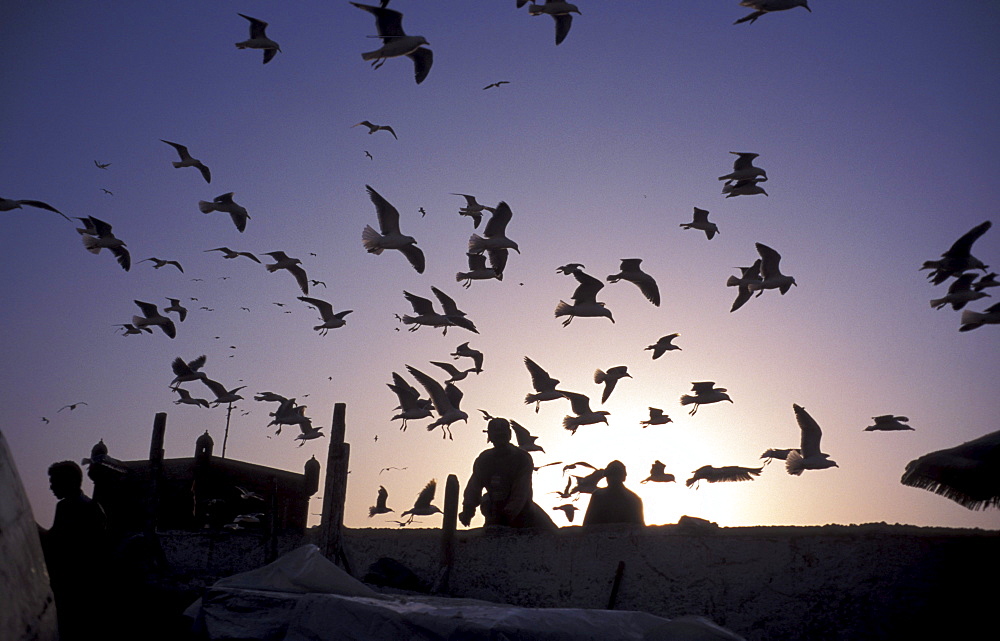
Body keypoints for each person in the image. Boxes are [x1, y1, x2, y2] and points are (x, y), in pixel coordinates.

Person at [38, 460, 108, 640]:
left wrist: (29, 523)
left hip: (73, 591)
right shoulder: (93, 506)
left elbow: (54, 543)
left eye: (54, 482)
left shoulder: (68, 507)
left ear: (67, 481)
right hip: (90, 591)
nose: (51, 487)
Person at [460, 418, 556, 529]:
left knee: (550, 533)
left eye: (502, 435)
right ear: (490, 436)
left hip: (522, 513)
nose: (499, 439)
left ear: (509, 435)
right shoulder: (484, 459)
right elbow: (474, 487)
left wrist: (508, 514)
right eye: (496, 436)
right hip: (494, 510)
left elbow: (521, 491)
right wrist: (468, 509)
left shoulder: (521, 458)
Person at [582, 460, 644, 526]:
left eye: (613, 476)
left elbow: (587, 526)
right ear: (623, 477)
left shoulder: (598, 496)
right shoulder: (634, 499)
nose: (611, 479)